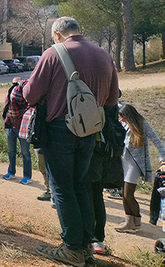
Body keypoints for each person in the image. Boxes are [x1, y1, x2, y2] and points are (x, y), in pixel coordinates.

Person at [24, 17, 119, 266]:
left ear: (57, 34)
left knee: (62, 189)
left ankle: (72, 249)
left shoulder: (53, 53)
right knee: (80, 187)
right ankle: (86, 246)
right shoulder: (103, 55)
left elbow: (30, 95)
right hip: (90, 131)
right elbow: (111, 100)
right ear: (78, 31)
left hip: (60, 130)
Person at [115, 103, 165, 233]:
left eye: (122, 117)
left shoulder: (143, 125)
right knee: (123, 194)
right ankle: (129, 221)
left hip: (135, 164)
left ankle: (136, 221)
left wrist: (163, 161)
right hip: (123, 162)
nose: (120, 119)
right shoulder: (124, 124)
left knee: (128, 195)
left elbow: (157, 142)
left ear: (128, 117)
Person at [2, 76, 33, 184]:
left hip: (22, 126)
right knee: (11, 151)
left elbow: (30, 104)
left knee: (25, 152)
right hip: (10, 125)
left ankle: (27, 176)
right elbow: (6, 107)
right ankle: (11, 172)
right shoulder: (11, 93)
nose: (14, 84)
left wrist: (20, 81)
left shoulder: (25, 93)